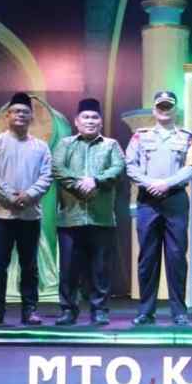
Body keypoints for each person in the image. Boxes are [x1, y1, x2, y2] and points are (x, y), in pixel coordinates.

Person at [126, 91, 192, 326]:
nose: (164, 110)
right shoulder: (140, 136)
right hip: (148, 201)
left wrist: (167, 183)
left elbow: (191, 167)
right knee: (148, 257)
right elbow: (130, 166)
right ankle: (146, 311)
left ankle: (179, 312)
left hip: (175, 199)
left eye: (168, 106)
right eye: (160, 106)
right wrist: (151, 184)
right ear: (154, 109)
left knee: (176, 257)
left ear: (175, 110)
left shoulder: (188, 138)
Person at [0, 92, 52, 326]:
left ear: (31, 117)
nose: (20, 115)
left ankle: (29, 311)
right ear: (7, 116)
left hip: (30, 215)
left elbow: (46, 177)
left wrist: (28, 196)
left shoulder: (41, 147)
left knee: (29, 266)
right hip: (1, 214)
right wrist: (11, 197)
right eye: (16, 111)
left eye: (25, 112)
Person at [52, 98, 125, 326]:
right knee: (68, 269)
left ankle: (99, 310)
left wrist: (96, 180)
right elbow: (57, 168)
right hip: (70, 217)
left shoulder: (111, 145)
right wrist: (79, 184)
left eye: (94, 117)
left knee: (100, 269)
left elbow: (118, 168)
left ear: (101, 122)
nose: (90, 121)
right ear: (76, 121)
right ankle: (68, 310)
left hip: (101, 217)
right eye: (86, 117)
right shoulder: (65, 144)